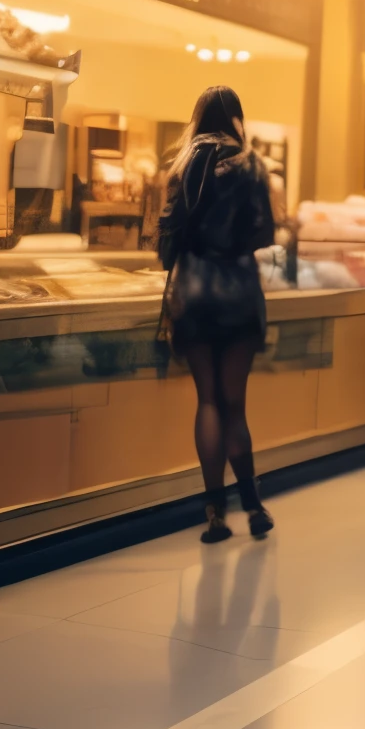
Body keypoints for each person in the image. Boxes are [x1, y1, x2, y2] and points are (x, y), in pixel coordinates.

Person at [157, 85, 277, 543]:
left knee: (207, 401)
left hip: (194, 295)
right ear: (236, 120)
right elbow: (264, 233)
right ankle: (253, 504)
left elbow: (166, 239)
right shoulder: (252, 166)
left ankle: (214, 515)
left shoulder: (183, 165)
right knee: (235, 405)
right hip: (239, 295)